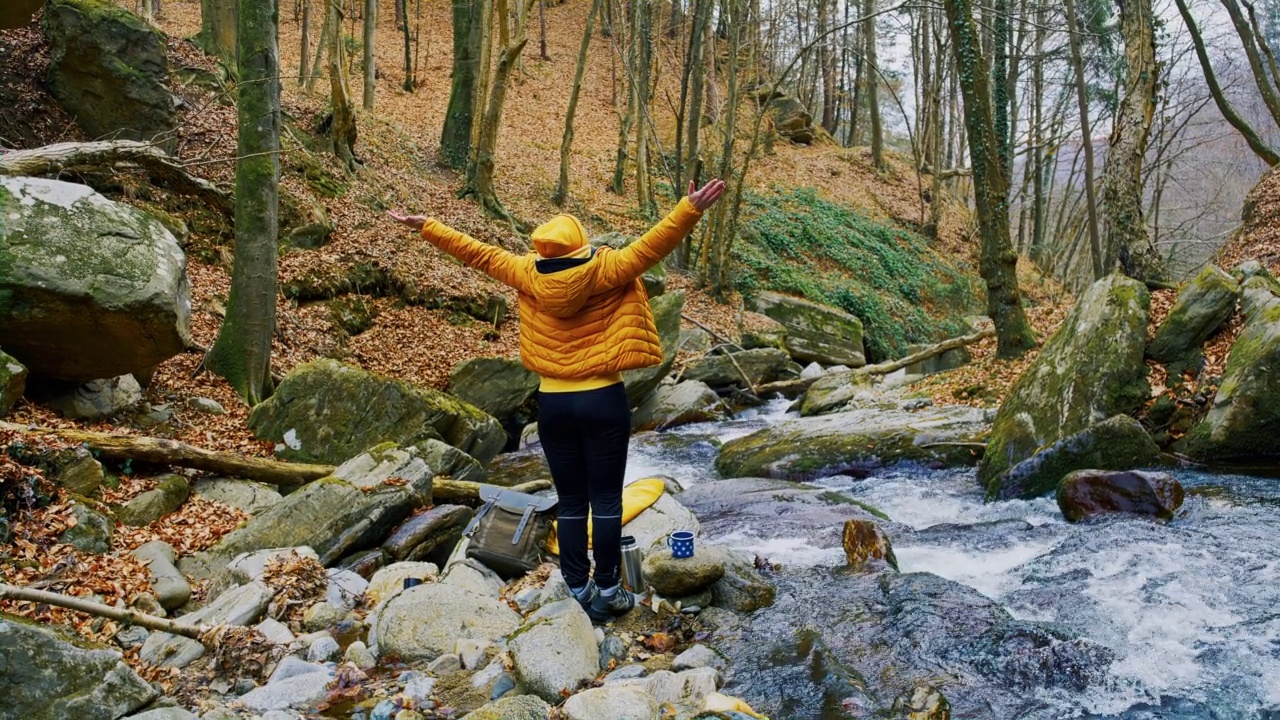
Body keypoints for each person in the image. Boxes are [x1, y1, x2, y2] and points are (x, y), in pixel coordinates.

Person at [390, 179, 726, 622]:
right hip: (602, 398)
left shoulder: (525, 272)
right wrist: (689, 208)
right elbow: (652, 245)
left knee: (571, 502)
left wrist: (429, 226)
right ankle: (609, 587)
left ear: (544, 249)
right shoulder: (605, 269)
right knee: (606, 500)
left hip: (554, 405)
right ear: (579, 244)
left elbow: (478, 253)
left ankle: (577, 585)